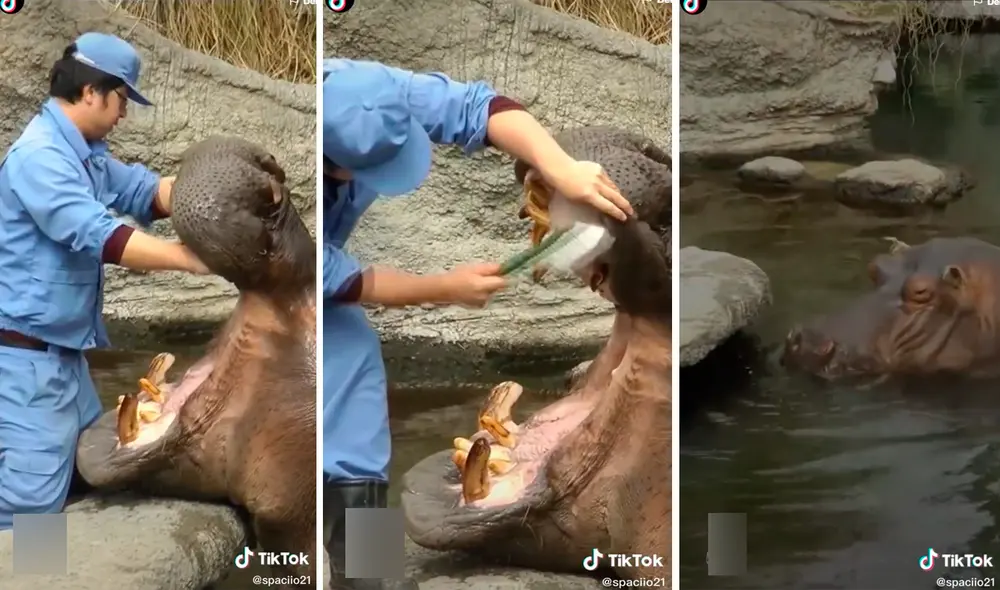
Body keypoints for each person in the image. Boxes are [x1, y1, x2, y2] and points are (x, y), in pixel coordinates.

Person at [321, 57, 633, 588]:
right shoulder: (300, 177)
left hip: (325, 264)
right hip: (294, 270)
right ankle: (359, 574)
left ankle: (360, 566)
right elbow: (327, 276)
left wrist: (558, 167)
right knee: (349, 377)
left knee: (354, 387)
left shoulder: (370, 91)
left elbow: (480, 107)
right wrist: (446, 289)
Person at [0, 32, 209, 530]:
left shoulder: (84, 152)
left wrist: (213, 187)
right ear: (91, 91)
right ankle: (29, 578)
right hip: (27, 364)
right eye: (121, 99)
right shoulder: (40, 156)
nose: (124, 113)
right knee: (29, 507)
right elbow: (98, 234)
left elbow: (142, 191)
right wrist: (189, 258)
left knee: (84, 473)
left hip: (62, 362)